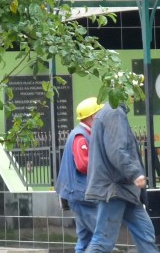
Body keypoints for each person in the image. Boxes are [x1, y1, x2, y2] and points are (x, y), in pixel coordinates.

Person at [83, 97, 158, 253]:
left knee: (146, 233)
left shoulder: (111, 111)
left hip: (125, 189)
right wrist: (135, 173)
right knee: (103, 242)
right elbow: (117, 150)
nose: (135, 95)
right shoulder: (114, 111)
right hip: (116, 188)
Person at [56, 97, 105, 253]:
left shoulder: (82, 133)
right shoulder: (80, 136)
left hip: (80, 194)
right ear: (92, 117)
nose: (101, 117)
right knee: (102, 236)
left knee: (85, 240)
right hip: (82, 195)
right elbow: (83, 164)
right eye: (99, 113)